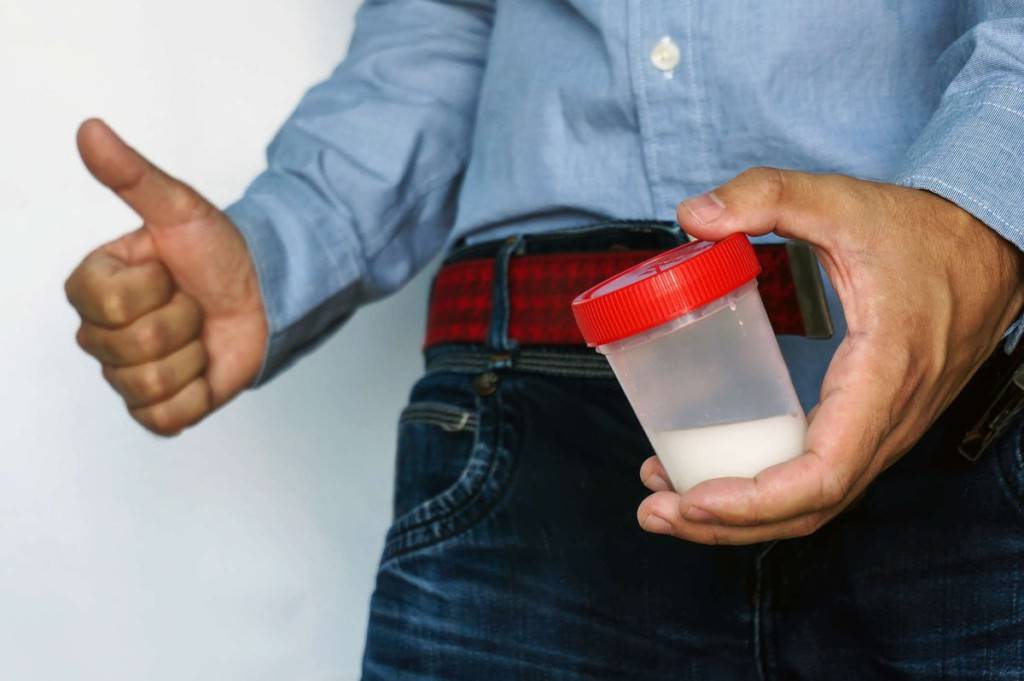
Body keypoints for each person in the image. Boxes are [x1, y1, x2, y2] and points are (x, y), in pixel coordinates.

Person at [64, 2, 1024, 678]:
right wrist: (281, 249)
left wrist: (971, 226)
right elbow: (444, 19)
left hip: (964, 396)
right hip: (525, 414)